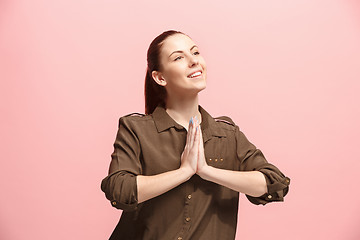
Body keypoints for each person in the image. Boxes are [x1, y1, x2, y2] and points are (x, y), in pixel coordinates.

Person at [101, 30, 290, 240]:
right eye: (179, 57)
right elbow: (120, 190)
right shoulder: (136, 129)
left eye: (196, 52)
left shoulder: (227, 134)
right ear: (160, 77)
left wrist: (207, 171)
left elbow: (274, 183)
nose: (194, 61)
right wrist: (184, 172)